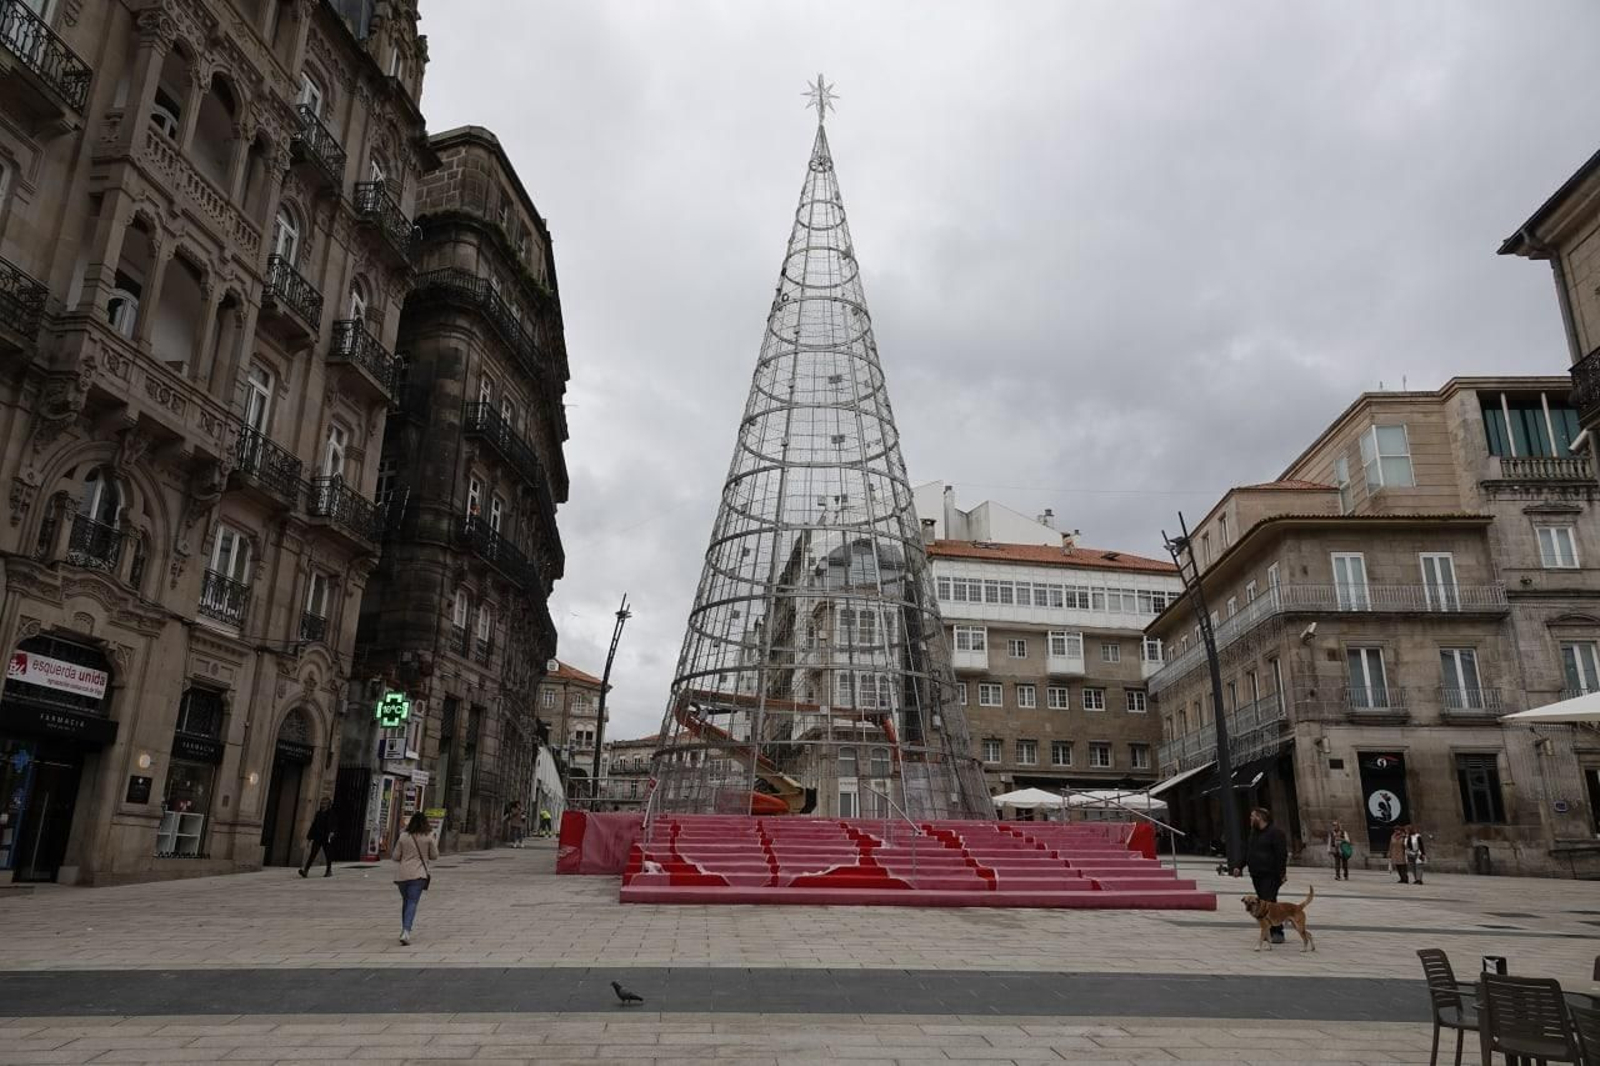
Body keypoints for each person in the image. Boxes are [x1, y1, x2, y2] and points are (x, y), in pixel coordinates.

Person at [1233, 807, 1288, 944]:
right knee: (1265, 902)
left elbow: (1281, 855)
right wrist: (1239, 866)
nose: (1250, 819)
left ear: (1261, 818)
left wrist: (1281, 873)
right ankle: (1269, 929)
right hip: (1256, 874)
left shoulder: (1276, 833)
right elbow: (1248, 851)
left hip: (1271, 874)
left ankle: (1277, 932)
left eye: (1253, 816)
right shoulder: (1254, 833)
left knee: (1268, 902)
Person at [392, 811, 438, 945]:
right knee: (412, 902)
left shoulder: (403, 836)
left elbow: (395, 856)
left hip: (402, 874)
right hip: (418, 874)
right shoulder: (429, 836)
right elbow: (434, 856)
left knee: (406, 902)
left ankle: (404, 929)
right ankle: (406, 931)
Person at [298, 797, 335, 878]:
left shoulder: (331, 813)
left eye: (325, 803)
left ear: (328, 804)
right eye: (322, 803)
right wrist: (309, 838)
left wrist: (332, 832)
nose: (323, 804)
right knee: (313, 854)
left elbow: (333, 824)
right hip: (318, 837)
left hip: (326, 837)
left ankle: (329, 871)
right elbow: (314, 825)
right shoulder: (318, 813)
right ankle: (306, 871)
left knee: (328, 855)